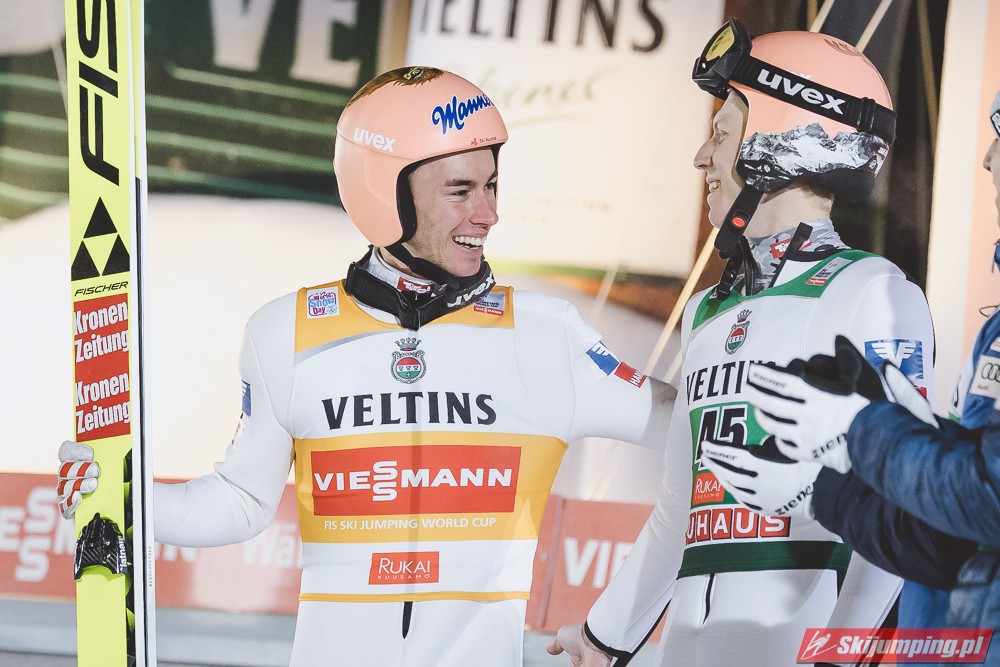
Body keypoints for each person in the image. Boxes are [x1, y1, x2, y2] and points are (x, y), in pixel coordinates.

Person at [57, 66, 677, 667]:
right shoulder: (285, 331)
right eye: (461, 191)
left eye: (491, 186)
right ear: (385, 194)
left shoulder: (545, 336)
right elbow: (240, 501)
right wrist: (123, 496)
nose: (488, 213)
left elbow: (706, 436)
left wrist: (615, 626)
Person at [548, 19, 935, 667]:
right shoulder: (708, 309)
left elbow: (900, 502)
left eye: (722, 134)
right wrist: (602, 637)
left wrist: (837, 655)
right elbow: (682, 507)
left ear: (780, 142)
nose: (702, 157)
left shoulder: (871, 291)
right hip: (685, 647)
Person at [713, 89, 1000, 665]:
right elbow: (954, 544)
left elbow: (988, 499)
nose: (989, 159)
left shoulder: (875, 286)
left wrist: (861, 431)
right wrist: (824, 490)